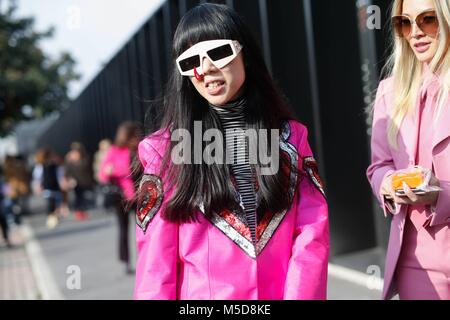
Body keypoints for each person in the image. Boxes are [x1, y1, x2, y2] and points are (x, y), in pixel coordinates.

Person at [134, 3, 329, 300]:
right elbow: (155, 269)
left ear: (245, 54)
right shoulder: (163, 152)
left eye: (219, 52)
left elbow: (312, 236)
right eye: (190, 61)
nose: (206, 68)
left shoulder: (291, 139)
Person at [367, 0, 450, 300]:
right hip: (416, 260)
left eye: (427, 20)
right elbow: (378, 167)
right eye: (405, 23)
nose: (415, 32)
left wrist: (441, 195)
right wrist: (389, 183)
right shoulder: (391, 91)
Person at [98, 122, 142, 274]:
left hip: (141, 195)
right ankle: (126, 262)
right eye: (134, 135)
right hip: (121, 196)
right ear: (126, 136)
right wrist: (113, 170)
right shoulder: (114, 151)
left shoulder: (141, 148)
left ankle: (145, 260)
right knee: (123, 230)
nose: (137, 138)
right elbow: (102, 174)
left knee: (145, 230)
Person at [64, 142, 94, 220]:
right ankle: (78, 212)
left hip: (85, 180)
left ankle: (82, 211)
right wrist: (70, 161)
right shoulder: (69, 160)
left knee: (84, 197)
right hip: (75, 182)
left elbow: (87, 167)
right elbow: (67, 171)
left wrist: (77, 161)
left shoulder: (85, 158)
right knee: (77, 197)